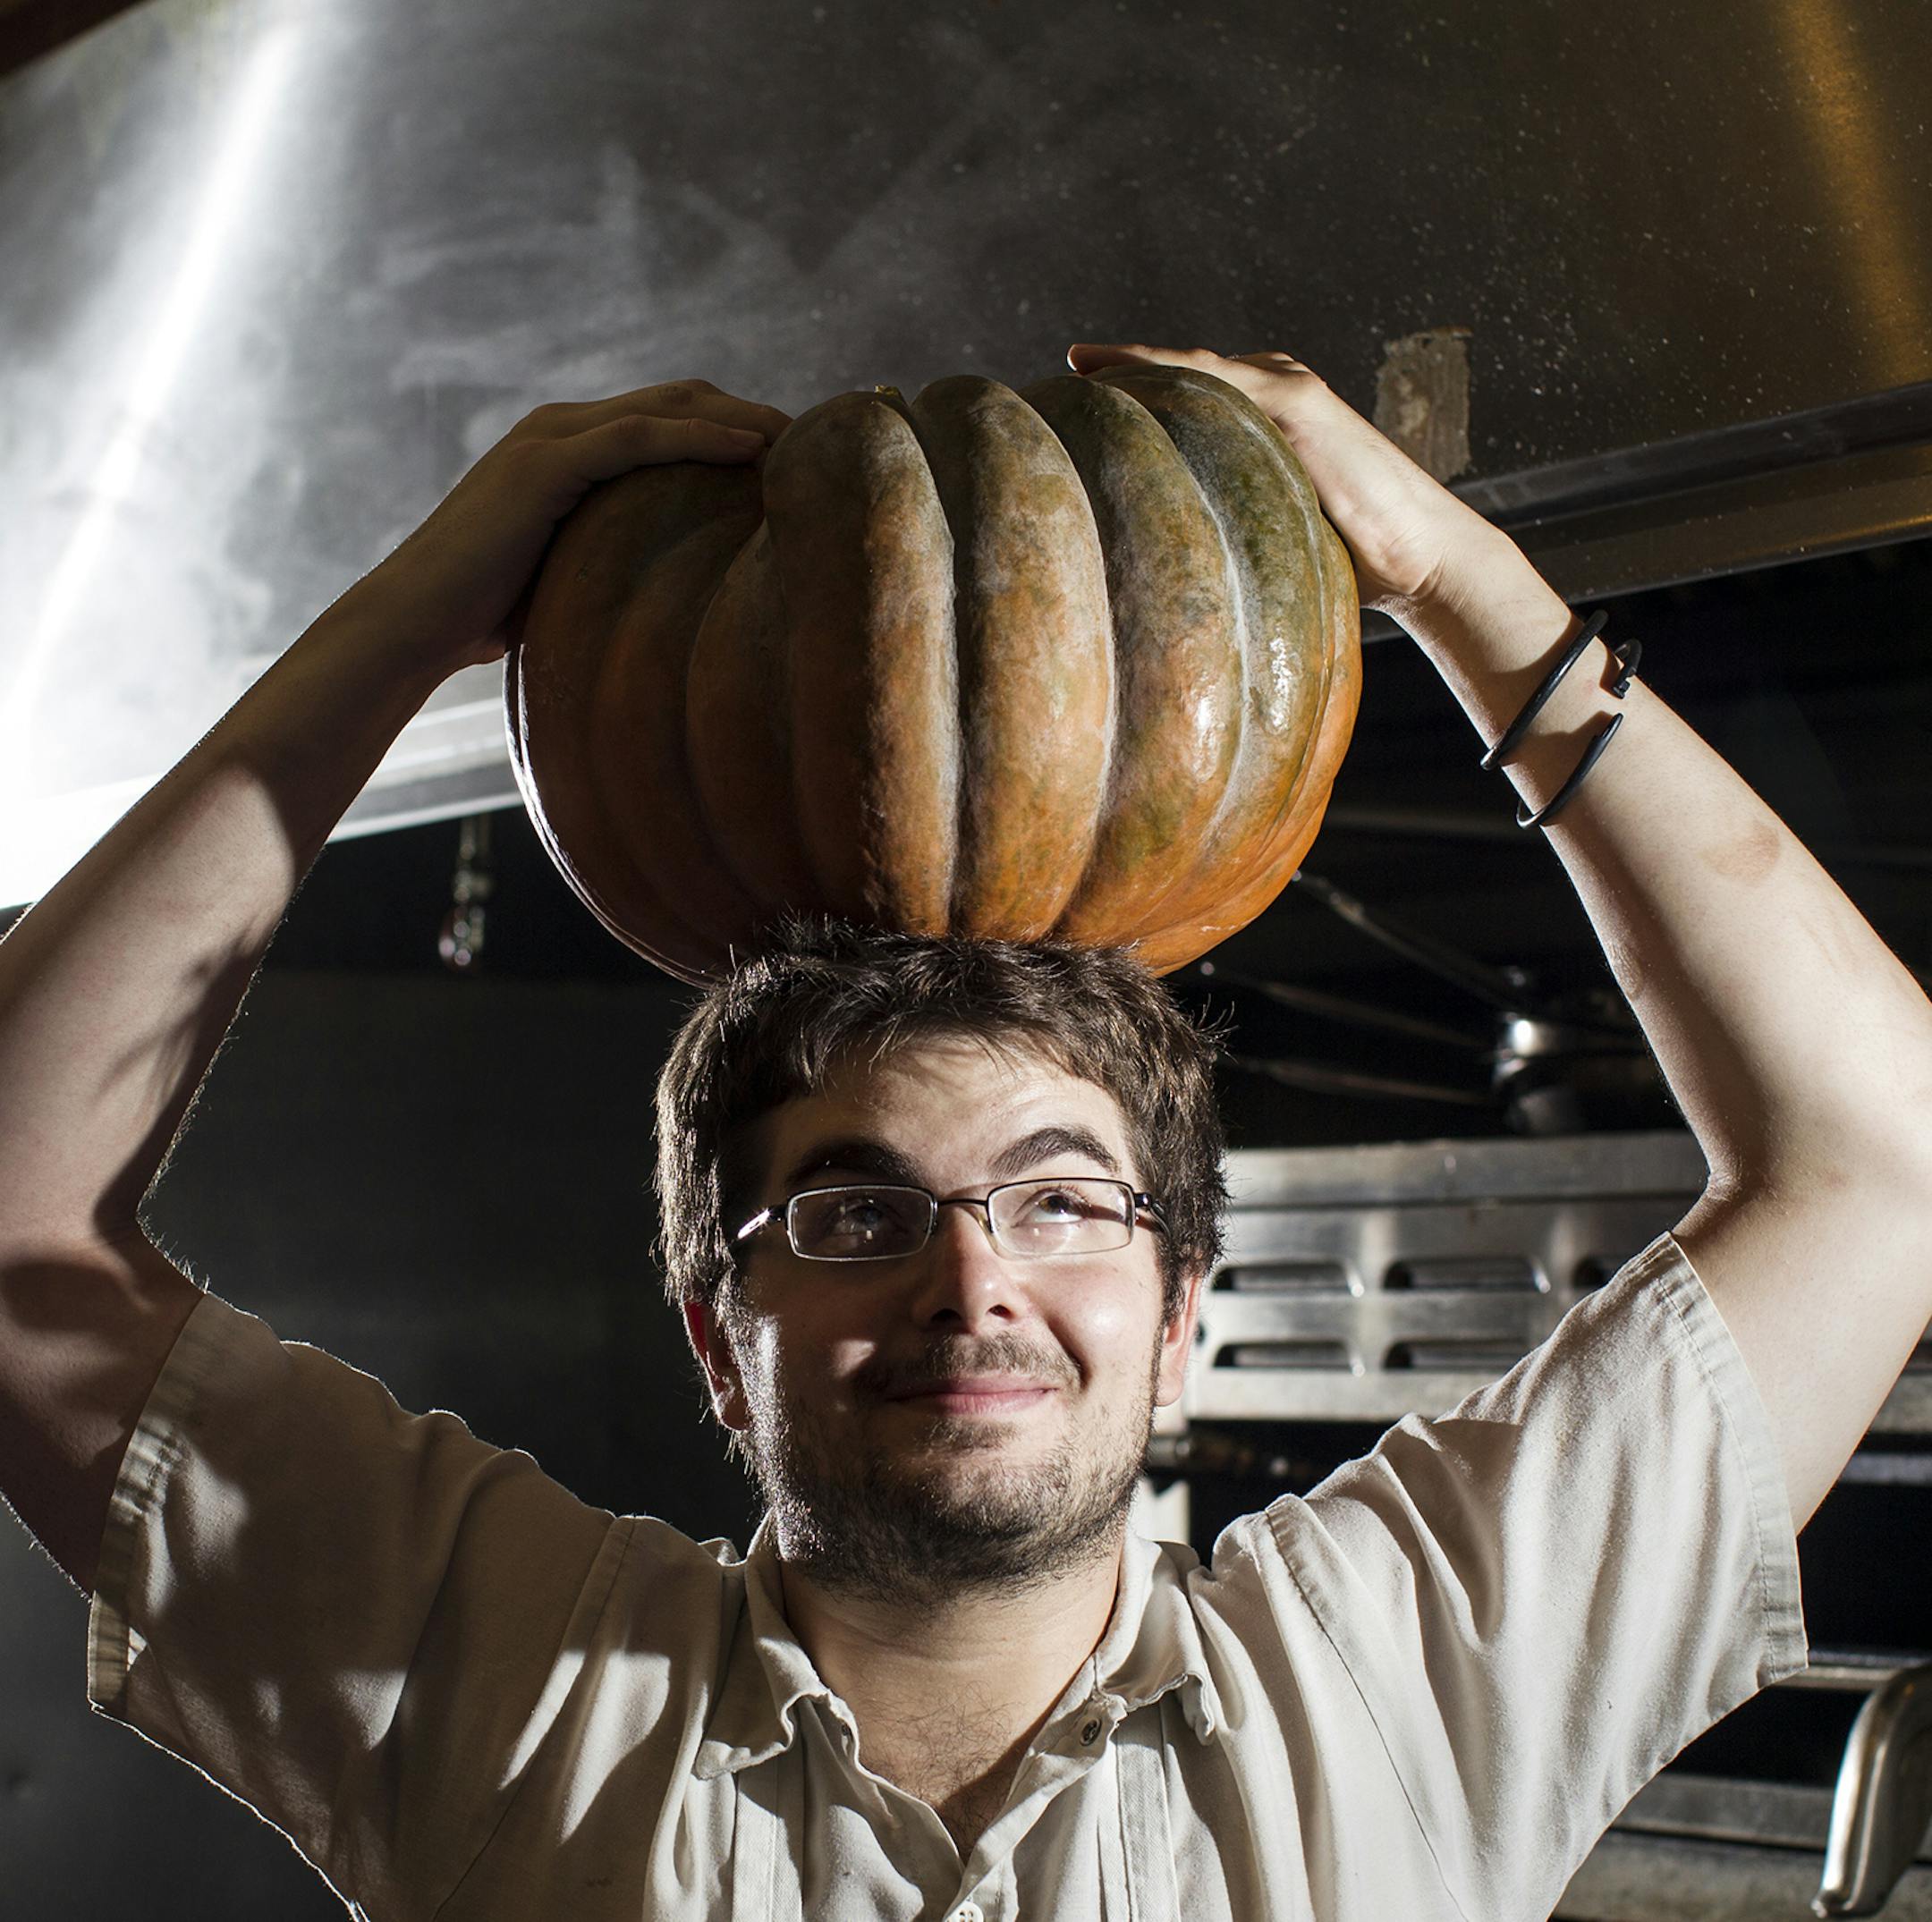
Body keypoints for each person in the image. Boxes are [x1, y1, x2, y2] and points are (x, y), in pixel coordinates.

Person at [1, 341, 1928, 1922]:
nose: (971, 1278)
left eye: (1066, 1200)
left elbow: (1887, 1152)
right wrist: (424, 608)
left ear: (1183, 1309)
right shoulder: (499, 1674)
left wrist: (1462, 584)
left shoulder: (1420, 1666)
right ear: (714, 1335)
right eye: (856, 1215)